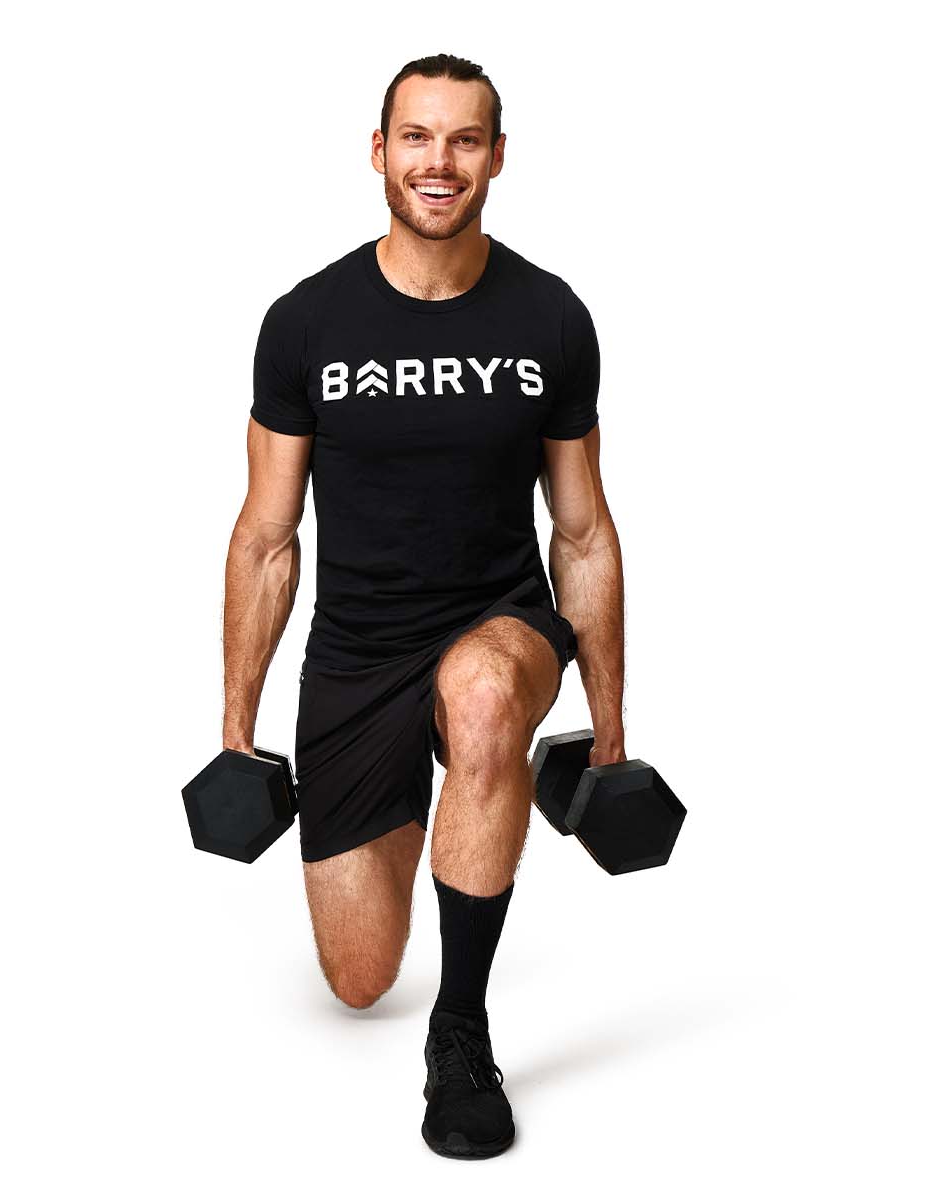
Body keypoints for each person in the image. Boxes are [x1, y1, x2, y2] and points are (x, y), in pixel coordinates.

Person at [219, 53, 626, 1160]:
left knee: (486, 698)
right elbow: (266, 538)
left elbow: (580, 530)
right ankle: (426, 806)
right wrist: (235, 734)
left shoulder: (549, 318)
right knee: (356, 978)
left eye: (462, 140)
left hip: (499, 623)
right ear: (378, 153)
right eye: (415, 137)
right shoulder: (304, 323)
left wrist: (611, 735)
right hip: (358, 652)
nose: (437, 163)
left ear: (496, 157)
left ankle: (461, 1032)